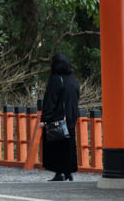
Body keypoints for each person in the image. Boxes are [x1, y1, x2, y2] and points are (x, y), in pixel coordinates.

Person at [41, 52, 80, 181]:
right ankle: (68, 172)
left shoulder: (56, 79)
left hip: (57, 119)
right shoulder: (73, 80)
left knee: (56, 146)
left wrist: (45, 119)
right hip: (70, 119)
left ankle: (60, 172)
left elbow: (50, 101)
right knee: (69, 146)